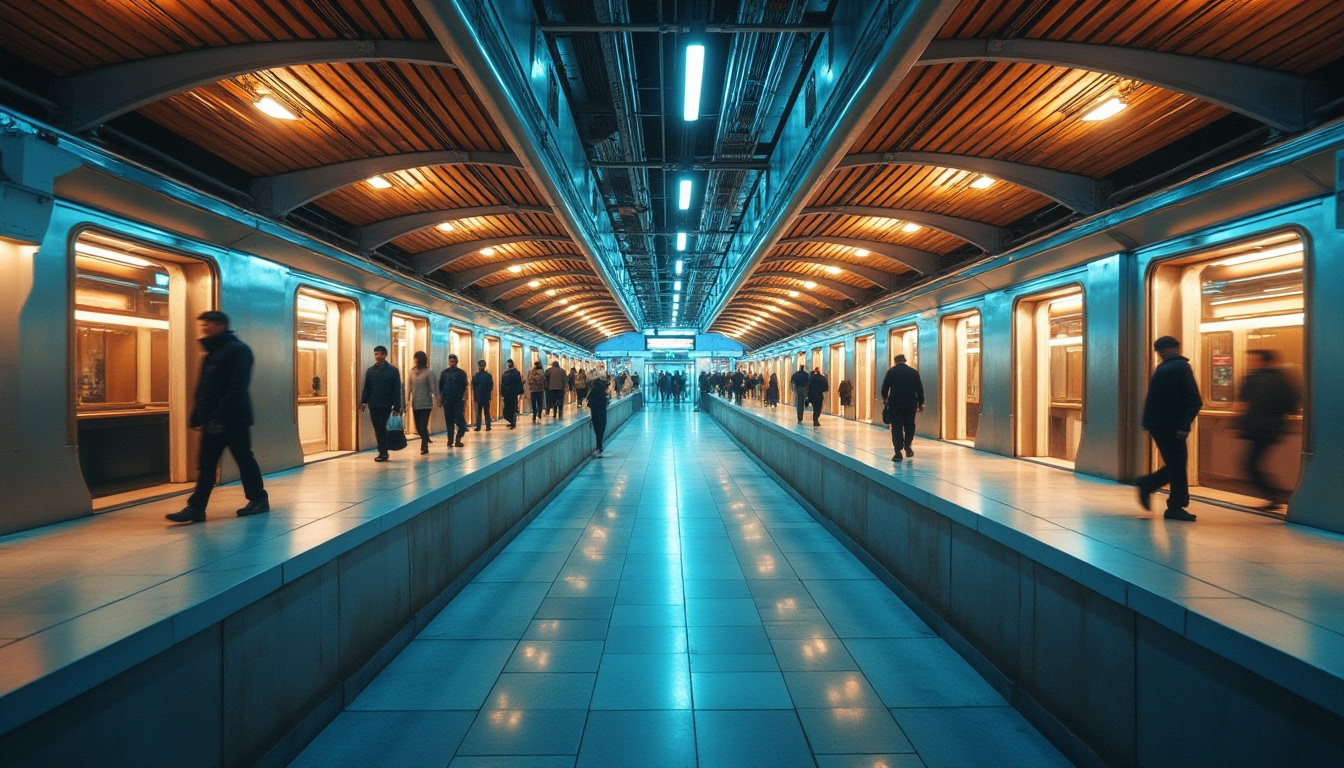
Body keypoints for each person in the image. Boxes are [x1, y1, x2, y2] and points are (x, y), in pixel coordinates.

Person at [166, 311, 268, 523]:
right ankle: (196, 507)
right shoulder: (213, 352)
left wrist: (220, 417)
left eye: (208, 325)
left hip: (233, 419)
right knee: (207, 463)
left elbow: (237, 387)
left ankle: (258, 499)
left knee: (243, 459)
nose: (204, 329)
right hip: (213, 420)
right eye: (203, 325)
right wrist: (198, 416)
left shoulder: (238, 351)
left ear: (221, 325)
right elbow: (204, 388)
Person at [1135, 336, 1203, 521]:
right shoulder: (1181, 367)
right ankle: (1172, 504)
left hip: (1158, 425)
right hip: (1172, 426)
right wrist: (1183, 424)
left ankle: (1151, 486)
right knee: (1178, 465)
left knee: (1176, 464)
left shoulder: (1162, 369)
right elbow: (1194, 400)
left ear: (1161, 352)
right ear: (1174, 349)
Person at [1238, 349, 1300, 510]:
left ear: (1263, 361)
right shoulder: (1282, 380)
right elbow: (1292, 405)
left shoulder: (1252, 379)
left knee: (1251, 465)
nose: (1251, 363)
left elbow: (1242, 403)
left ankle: (1274, 496)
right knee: (1252, 464)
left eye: (1253, 360)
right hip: (1272, 429)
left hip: (1258, 429)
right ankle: (1274, 496)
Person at [360, 344, 403, 462]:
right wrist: (364, 401)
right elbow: (367, 388)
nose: (377, 356)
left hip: (386, 404)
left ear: (385, 355)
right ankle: (382, 451)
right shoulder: (370, 371)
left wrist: (397, 407)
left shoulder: (393, 371)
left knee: (382, 428)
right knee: (377, 428)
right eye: (375, 354)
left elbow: (396, 389)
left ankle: (383, 452)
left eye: (380, 354)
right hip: (373, 404)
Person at [880, 354, 924, 462]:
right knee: (910, 425)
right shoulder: (914, 372)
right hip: (910, 404)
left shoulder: (891, 372)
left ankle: (898, 452)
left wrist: (885, 398)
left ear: (895, 361)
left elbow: (884, 388)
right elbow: (919, 389)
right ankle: (908, 447)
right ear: (904, 361)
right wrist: (921, 403)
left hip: (895, 404)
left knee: (897, 427)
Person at [407, 351, 437, 455]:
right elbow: (408, 388)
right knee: (418, 427)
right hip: (415, 403)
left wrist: (438, 398)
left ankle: (424, 446)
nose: (415, 360)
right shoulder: (411, 373)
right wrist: (406, 401)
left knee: (423, 425)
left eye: (417, 358)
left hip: (426, 404)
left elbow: (434, 387)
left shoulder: (429, 373)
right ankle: (426, 437)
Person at [438, 353, 469, 447]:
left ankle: (458, 438)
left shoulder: (461, 373)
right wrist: (440, 399)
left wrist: (465, 399)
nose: (452, 363)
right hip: (447, 400)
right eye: (450, 361)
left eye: (453, 361)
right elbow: (441, 387)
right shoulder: (444, 373)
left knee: (460, 421)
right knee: (449, 421)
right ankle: (450, 440)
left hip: (458, 401)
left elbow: (465, 387)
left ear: (456, 362)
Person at [587, 372, 611, 455]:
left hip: (594, 409)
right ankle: (599, 446)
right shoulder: (602, 386)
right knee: (601, 427)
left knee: (597, 428)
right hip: (601, 409)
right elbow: (604, 398)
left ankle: (599, 446)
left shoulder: (595, 385)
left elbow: (589, 397)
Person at [471, 360, 494, 431]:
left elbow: (473, 385)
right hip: (486, 396)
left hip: (478, 396)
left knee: (478, 412)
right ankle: (488, 426)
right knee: (487, 411)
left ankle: (478, 426)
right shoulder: (489, 375)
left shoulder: (475, 376)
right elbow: (491, 386)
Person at [500, 359, 523, 429]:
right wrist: (520, 391)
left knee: (507, 408)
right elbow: (519, 383)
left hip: (507, 393)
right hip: (514, 393)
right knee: (513, 407)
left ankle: (511, 421)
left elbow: (503, 384)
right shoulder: (517, 373)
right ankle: (513, 421)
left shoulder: (505, 374)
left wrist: (502, 393)